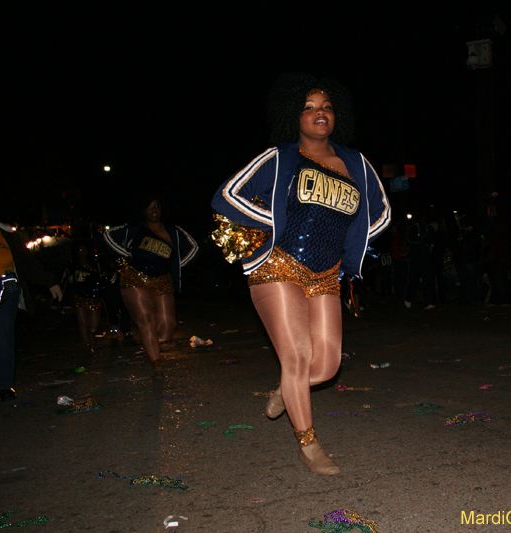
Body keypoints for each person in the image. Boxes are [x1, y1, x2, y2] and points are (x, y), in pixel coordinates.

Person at [211, 73, 390, 475]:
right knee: (297, 357)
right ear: (295, 117)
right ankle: (309, 445)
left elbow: (381, 213)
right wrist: (271, 223)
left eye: (325, 107)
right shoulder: (279, 156)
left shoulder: (356, 163)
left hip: (326, 272)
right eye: (308, 108)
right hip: (277, 264)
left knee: (326, 366)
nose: (318, 113)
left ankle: (284, 392)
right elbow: (226, 195)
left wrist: (352, 244)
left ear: (336, 115)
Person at [0, 194, 63, 400]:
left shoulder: (7, 235)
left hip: (5, 291)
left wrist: (49, 282)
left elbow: (26, 262)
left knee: (3, 339)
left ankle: (4, 385)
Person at [103, 196, 198, 375]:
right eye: (149, 208)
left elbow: (194, 248)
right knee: (146, 320)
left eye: (157, 207)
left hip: (162, 279)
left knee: (168, 326)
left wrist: (176, 267)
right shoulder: (134, 229)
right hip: (135, 278)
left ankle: (151, 343)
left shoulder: (174, 231)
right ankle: (157, 363)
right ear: (142, 211)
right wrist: (126, 255)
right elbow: (107, 236)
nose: (154, 211)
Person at [68, 241, 106, 354]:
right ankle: (86, 344)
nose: (82, 253)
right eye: (80, 250)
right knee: (82, 322)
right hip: (78, 296)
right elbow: (69, 281)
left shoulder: (95, 265)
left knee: (94, 325)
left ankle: (91, 336)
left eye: (84, 250)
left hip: (93, 297)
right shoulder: (73, 266)